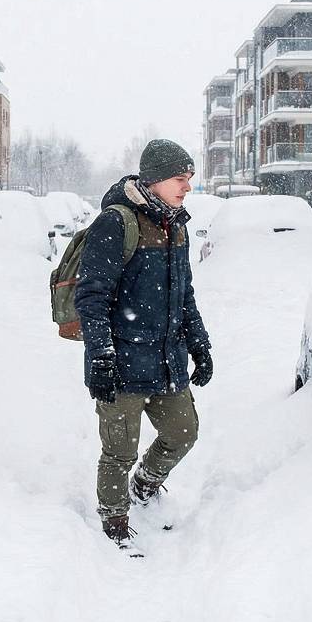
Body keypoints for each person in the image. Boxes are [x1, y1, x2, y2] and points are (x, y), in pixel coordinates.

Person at [74, 139, 213, 554]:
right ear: (153, 180)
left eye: (189, 178)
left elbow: (184, 294)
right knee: (119, 451)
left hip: (167, 360)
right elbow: (92, 297)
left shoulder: (177, 226)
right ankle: (114, 523)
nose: (187, 186)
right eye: (178, 178)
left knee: (183, 432)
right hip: (121, 362)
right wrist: (101, 354)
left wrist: (200, 345)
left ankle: (144, 488)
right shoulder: (116, 223)